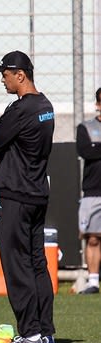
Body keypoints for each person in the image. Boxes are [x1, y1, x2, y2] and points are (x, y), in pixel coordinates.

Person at [0, 50, 56, 343]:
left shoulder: (21, 109)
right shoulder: (46, 105)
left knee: (18, 267)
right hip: (37, 193)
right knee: (37, 264)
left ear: (20, 74)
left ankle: (29, 333)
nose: (2, 80)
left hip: (14, 195)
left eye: (4, 74)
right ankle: (45, 333)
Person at [76, 87, 101, 295]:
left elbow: (95, 150)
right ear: (98, 104)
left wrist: (97, 147)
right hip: (94, 190)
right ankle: (93, 281)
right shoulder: (86, 127)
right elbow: (86, 151)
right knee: (92, 237)